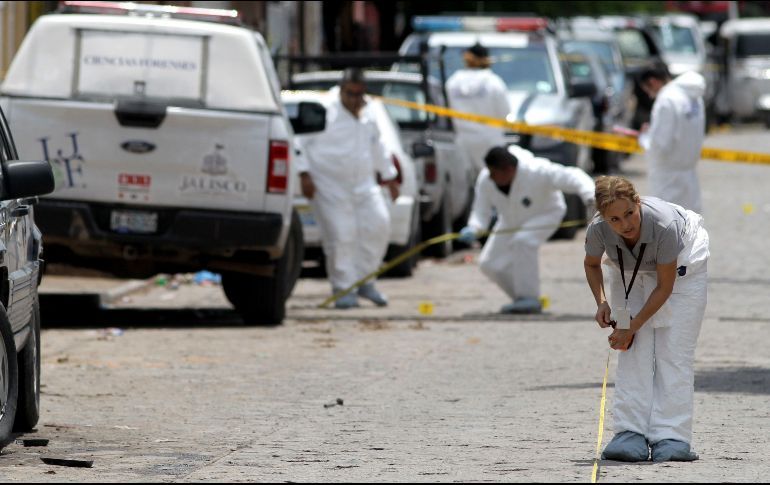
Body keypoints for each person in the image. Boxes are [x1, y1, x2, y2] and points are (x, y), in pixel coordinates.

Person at [583, 175, 709, 463]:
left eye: (629, 213)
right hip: (628, 272)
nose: (625, 224)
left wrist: (632, 326)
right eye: (614, 219)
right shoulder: (599, 229)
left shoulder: (666, 226)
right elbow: (591, 264)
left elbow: (664, 288)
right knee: (632, 349)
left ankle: (672, 435)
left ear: (638, 202)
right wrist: (602, 302)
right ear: (603, 218)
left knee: (672, 351)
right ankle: (630, 432)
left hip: (683, 271)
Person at [297, 68, 400, 309]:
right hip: (329, 185)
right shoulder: (322, 109)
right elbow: (299, 140)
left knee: (379, 225)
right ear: (341, 90)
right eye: (350, 95)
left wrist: (390, 177)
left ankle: (366, 280)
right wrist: (304, 174)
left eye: (359, 95)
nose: (355, 100)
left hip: (364, 184)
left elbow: (378, 146)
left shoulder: (369, 111)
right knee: (342, 236)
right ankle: (343, 288)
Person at [458, 145, 595, 314]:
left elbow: (572, 175)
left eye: (495, 173)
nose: (491, 178)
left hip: (547, 213)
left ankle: (529, 297)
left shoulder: (537, 170)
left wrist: (590, 195)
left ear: (509, 170)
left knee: (524, 241)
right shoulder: (486, 179)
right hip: (510, 222)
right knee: (489, 264)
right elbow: (481, 210)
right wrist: (474, 228)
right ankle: (521, 298)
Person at [638, 65, 706, 213]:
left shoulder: (666, 100)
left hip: (667, 177)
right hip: (689, 173)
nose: (650, 95)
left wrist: (644, 137)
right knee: (691, 225)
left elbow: (660, 145)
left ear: (653, 81)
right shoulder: (694, 97)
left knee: (668, 225)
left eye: (648, 90)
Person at [445, 42, 512, 173]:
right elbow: (505, 112)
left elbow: (446, 112)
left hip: (462, 141)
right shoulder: (494, 82)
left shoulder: (452, 82)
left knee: (462, 186)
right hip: (490, 141)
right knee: (492, 182)